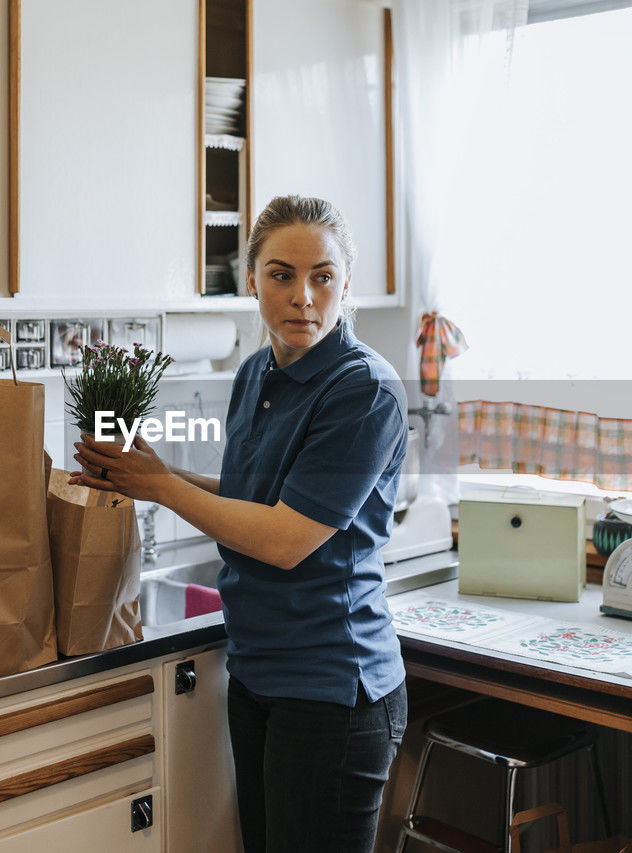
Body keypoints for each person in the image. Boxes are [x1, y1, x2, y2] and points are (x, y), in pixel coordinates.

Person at [71, 195, 409, 853]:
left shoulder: (362, 389)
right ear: (251, 279)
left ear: (347, 283)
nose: (304, 296)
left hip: (332, 688)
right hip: (258, 674)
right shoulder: (257, 372)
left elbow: (285, 539)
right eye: (282, 274)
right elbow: (254, 497)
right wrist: (152, 473)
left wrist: (162, 486)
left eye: (323, 276)